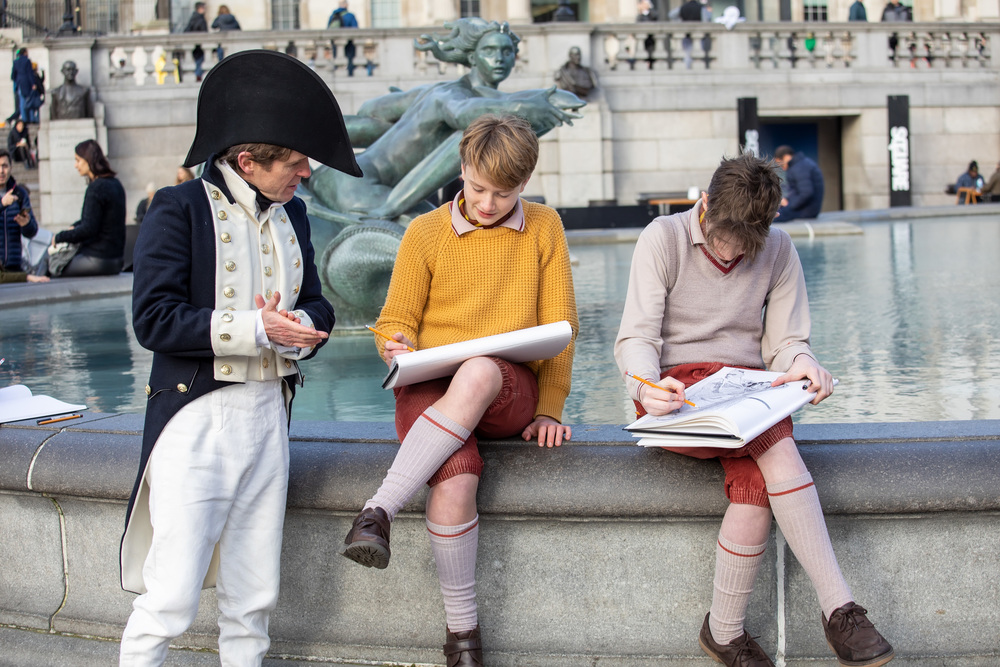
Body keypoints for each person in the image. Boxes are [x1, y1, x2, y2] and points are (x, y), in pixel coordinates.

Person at [119, 50, 356, 665]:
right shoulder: (177, 209)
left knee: (253, 599)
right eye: (296, 164)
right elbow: (154, 319)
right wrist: (256, 327)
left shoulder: (294, 214)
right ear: (248, 161)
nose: (304, 176)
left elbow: (316, 303)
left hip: (267, 420)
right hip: (196, 422)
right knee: (168, 595)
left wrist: (305, 324)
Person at [614, 152, 894, 667]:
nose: (729, 251)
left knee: (760, 480)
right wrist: (643, 383)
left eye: (744, 243)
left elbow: (786, 341)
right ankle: (840, 608)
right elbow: (637, 336)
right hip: (672, 391)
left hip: (743, 392)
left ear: (771, 222)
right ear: (704, 201)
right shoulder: (663, 236)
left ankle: (724, 632)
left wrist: (805, 362)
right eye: (722, 237)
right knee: (777, 442)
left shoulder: (780, 248)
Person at [339, 114, 578, 666]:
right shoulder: (424, 233)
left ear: (525, 184)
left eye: (504, 192)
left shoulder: (545, 227)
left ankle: (378, 508)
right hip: (429, 387)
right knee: (454, 478)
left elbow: (562, 329)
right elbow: (394, 320)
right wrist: (395, 343)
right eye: (477, 188)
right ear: (462, 169)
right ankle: (462, 641)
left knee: (477, 369)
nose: (488, 203)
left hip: (505, 387)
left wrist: (548, 408)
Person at [308, 18, 581, 225]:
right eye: (489, 50)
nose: (499, 58)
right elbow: (465, 113)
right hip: (359, 190)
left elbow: (371, 111)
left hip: (337, 178)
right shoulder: (451, 97)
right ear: (472, 57)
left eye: (506, 52)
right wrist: (388, 211)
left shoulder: (433, 91)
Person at [51, 140, 126, 277]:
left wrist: (59, 237)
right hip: (116, 259)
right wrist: (75, 226)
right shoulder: (115, 183)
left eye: (78, 160)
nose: (75, 165)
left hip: (97, 258)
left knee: (52, 264)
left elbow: (88, 229)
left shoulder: (96, 187)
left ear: (88, 160)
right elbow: (97, 219)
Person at [0, 149, 46, 282]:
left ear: (11, 167)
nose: (1, 171)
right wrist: (2, 204)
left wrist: (26, 225)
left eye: (4, 166)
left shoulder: (20, 194)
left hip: (15, 265)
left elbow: (32, 231)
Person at [774, 145, 824, 221]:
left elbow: (806, 193)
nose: (781, 167)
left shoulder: (800, 167)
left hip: (806, 210)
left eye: (780, 163)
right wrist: (787, 200)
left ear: (786, 157)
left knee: (773, 218)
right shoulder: (801, 164)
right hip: (806, 208)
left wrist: (788, 205)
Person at [327, 0, 359, 76]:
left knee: (336, 57)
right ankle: (350, 73)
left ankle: (337, 72)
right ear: (346, 5)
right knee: (350, 58)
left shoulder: (333, 16)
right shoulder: (350, 15)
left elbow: (328, 29)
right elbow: (355, 29)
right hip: (349, 42)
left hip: (336, 42)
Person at [184, 2, 208, 81]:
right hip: (199, 46)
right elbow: (203, 31)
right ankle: (198, 78)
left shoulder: (193, 17)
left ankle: (198, 77)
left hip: (195, 46)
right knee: (199, 63)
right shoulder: (200, 18)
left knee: (198, 62)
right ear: (200, 8)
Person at [10, 48, 35, 124]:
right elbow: (30, 73)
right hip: (27, 83)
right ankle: (31, 118)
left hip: (20, 83)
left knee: (22, 102)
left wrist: (17, 80)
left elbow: (13, 75)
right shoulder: (27, 61)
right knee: (29, 100)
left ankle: (24, 119)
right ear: (25, 52)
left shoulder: (15, 62)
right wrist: (33, 83)